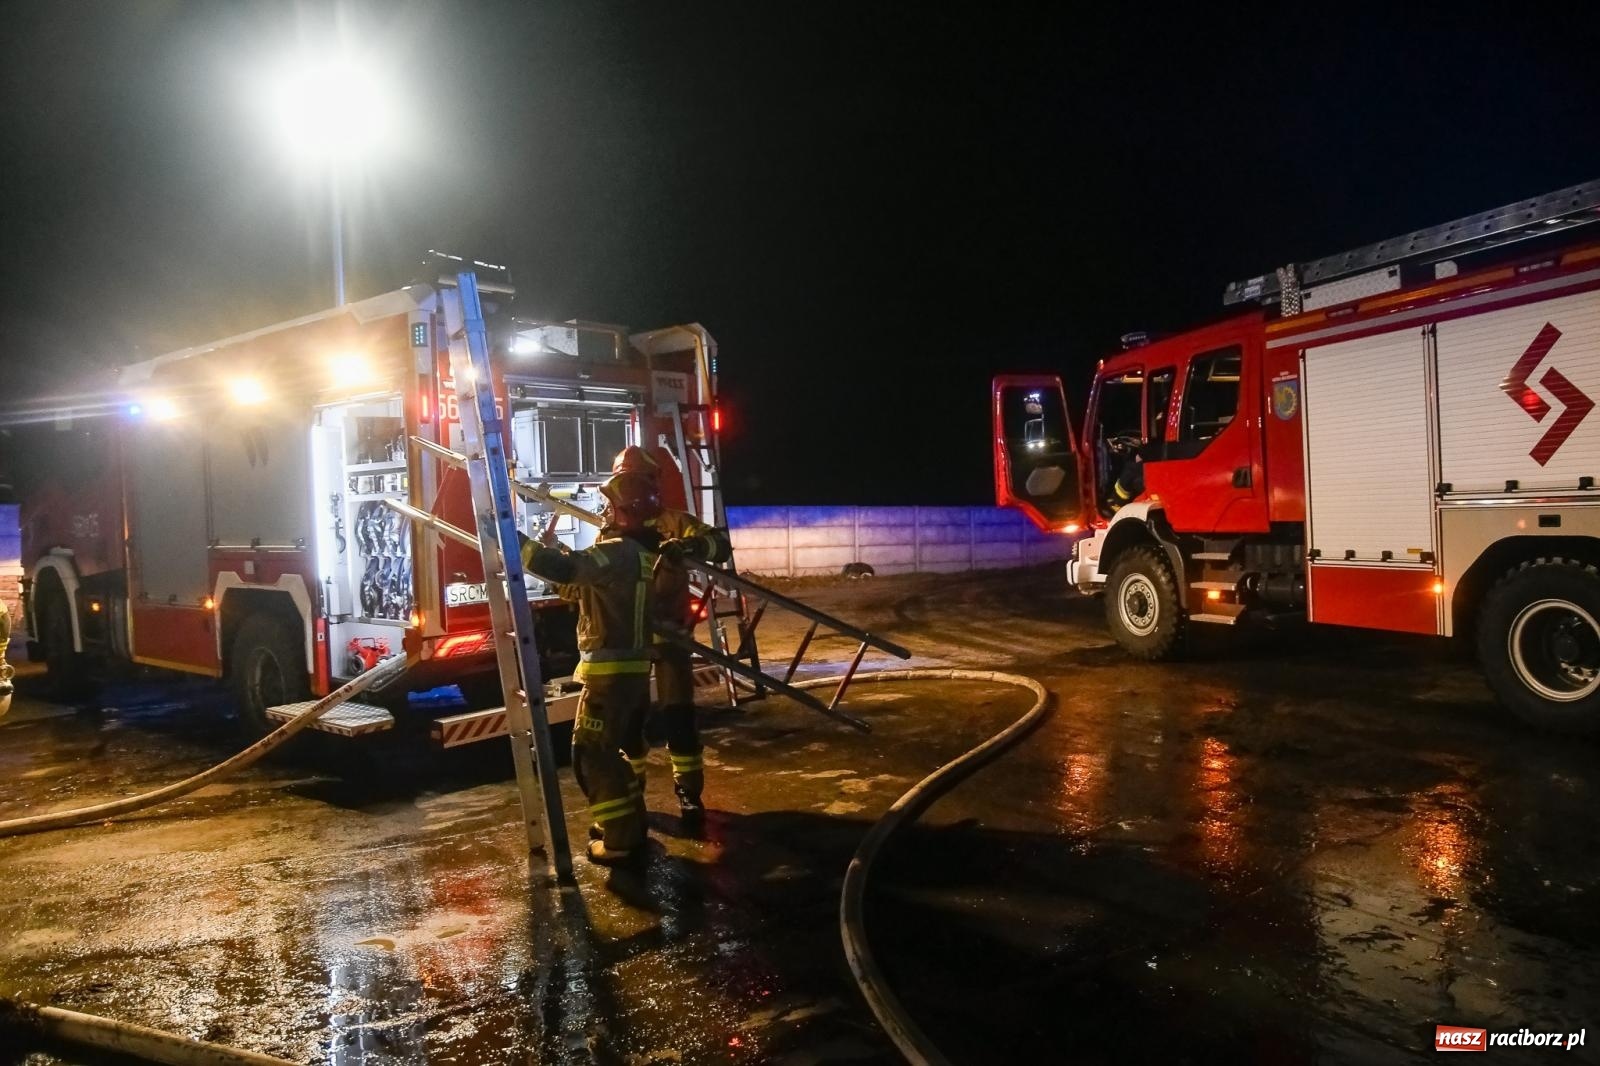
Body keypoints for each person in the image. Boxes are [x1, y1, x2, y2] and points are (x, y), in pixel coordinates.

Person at [520, 471, 661, 866]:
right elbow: (582, 587)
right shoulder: (635, 554)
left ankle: (620, 841)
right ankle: (627, 826)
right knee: (609, 753)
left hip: (610, 677)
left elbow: (567, 571)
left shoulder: (619, 551)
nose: (604, 512)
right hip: (624, 675)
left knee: (592, 755)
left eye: (609, 505)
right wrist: (557, 549)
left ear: (626, 512)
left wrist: (511, 539)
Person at [612, 446, 733, 824]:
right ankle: (632, 794)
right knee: (630, 721)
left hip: (669, 636)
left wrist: (692, 545)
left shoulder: (677, 523)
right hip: (629, 637)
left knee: (679, 717)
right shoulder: (610, 524)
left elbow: (720, 545)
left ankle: (688, 792)